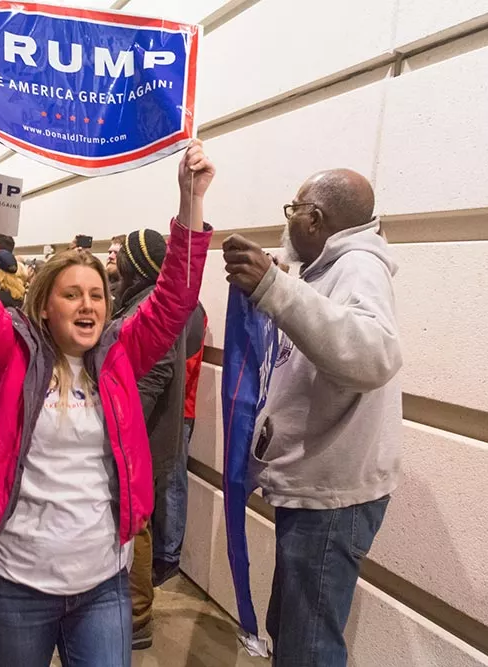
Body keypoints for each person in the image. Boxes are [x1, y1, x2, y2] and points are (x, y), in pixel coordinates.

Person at [0, 106, 215, 666]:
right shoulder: (11, 353)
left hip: (103, 584)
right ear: (44, 304)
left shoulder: (117, 359)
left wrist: (191, 199)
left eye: (97, 294)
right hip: (14, 583)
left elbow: (174, 300)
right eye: (71, 294)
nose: (88, 304)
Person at [222, 169, 402, 666]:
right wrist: (278, 282)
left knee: (308, 648)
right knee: (294, 631)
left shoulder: (360, 266)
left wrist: (276, 290)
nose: (289, 221)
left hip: (332, 499)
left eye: (293, 209)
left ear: (315, 219)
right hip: (318, 491)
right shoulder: (330, 268)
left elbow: (374, 354)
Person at [111, 228, 190, 650]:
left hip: (139, 438)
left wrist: (116, 427)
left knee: (135, 525)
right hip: (136, 436)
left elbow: (151, 378)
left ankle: (138, 617)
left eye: (120, 254)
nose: (113, 258)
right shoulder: (137, 301)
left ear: (135, 266)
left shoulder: (148, 308)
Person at [153, 302, 207, 587]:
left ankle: (168, 556)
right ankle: (164, 551)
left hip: (178, 410)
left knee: (172, 483)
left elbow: (180, 363)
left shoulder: (190, 310)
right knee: (166, 483)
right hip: (173, 407)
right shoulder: (184, 308)